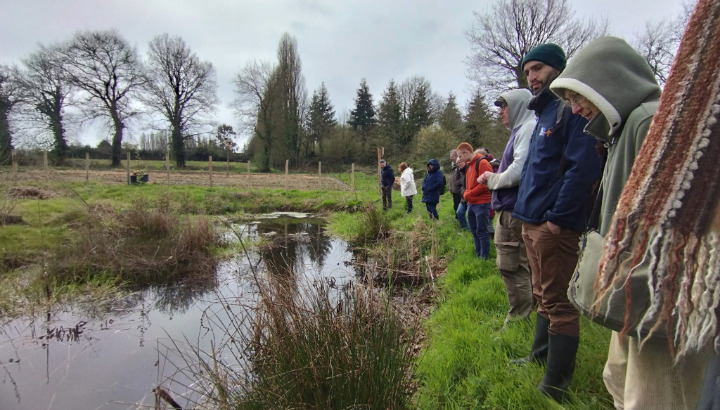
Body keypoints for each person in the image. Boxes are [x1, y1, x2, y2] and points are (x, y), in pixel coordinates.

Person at [551, 32, 716, 409]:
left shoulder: (650, 121)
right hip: (634, 281)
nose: (575, 109)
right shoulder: (625, 127)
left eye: (578, 96)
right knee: (619, 377)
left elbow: (676, 222)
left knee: (656, 394)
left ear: (607, 81)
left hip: (656, 290)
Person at [510, 43, 603, 402]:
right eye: (527, 71)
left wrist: (557, 220)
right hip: (532, 223)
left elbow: (584, 169)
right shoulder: (545, 114)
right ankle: (538, 358)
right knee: (541, 297)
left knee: (559, 302)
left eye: (537, 69)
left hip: (553, 227)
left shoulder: (572, 110)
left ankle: (554, 387)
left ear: (557, 68)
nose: (531, 77)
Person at [477, 88, 536, 325]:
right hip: (512, 208)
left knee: (512, 266)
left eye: (504, 106)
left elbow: (518, 170)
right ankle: (530, 312)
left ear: (519, 106)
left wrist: (492, 179)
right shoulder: (523, 130)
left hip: (512, 211)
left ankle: (519, 318)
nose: (500, 112)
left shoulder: (528, 128)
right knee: (520, 264)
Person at [456, 142, 493, 259]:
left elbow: (485, 184)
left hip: (481, 203)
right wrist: (467, 193)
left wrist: (469, 194)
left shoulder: (482, 163)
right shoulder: (469, 165)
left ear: (466, 152)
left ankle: (484, 257)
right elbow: (468, 184)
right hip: (471, 203)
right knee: (474, 231)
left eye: (460, 156)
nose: (459, 159)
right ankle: (477, 254)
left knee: (482, 232)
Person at [454, 159, 471, 230]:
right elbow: (459, 183)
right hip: (463, 196)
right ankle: (465, 228)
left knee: (471, 215)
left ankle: (472, 229)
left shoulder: (470, 169)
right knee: (459, 212)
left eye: (461, 162)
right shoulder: (460, 172)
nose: (459, 164)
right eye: (458, 163)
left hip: (471, 196)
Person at [448, 150, 464, 223]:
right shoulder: (453, 166)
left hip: (459, 191)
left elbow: (462, 178)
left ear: (457, 156)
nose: (451, 158)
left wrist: (457, 183)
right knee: (455, 206)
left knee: (459, 207)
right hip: (454, 191)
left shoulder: (459, 166)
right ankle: (458, 221)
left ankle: (461, 223)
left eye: (452, 157)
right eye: (450, 157)